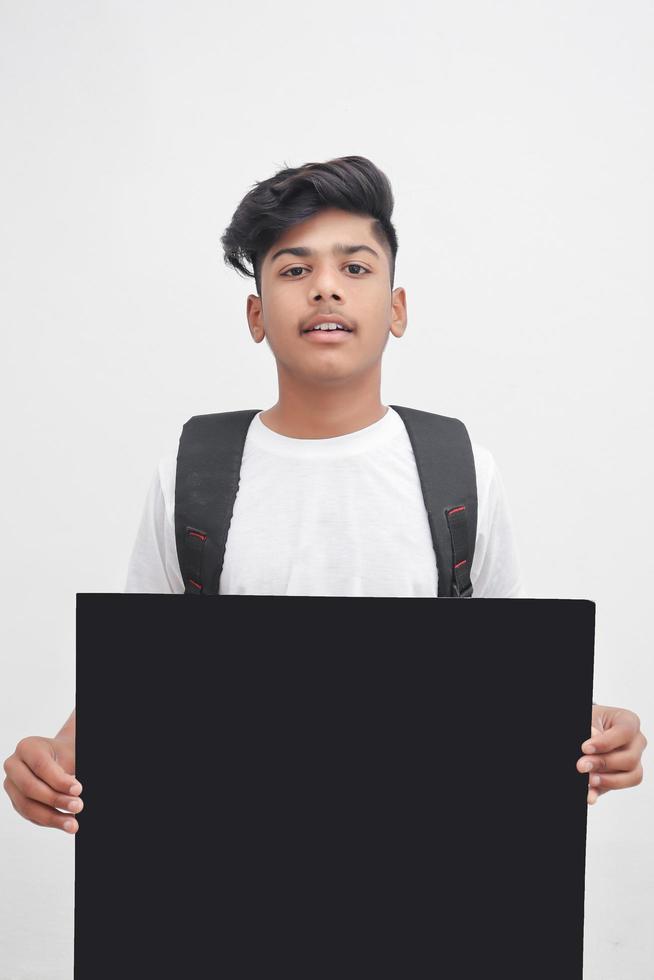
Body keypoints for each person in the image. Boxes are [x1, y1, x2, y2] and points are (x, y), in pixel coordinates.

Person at [3, 156, 646, 835]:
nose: (326, 289)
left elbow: (511, 689)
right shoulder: (192, 474)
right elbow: (132, 684)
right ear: (257, 314)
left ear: (397, 309)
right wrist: (48, 764)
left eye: (356, 268)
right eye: (294, 269)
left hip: (425, 879)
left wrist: (601, 735)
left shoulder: (461, 473)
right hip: (229, 878)